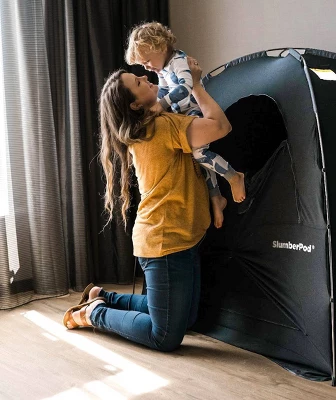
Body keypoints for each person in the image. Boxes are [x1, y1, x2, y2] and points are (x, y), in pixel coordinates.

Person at [62, 58, 232, 352]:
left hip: (182, 236)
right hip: (165, 241)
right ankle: (94, 313)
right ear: (135, 105)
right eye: (139, 83)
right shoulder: (160, 128)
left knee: (187, 319)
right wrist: (195, 83)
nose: (147, 79)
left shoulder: (151, 127)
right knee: (164, 336)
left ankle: (102, 295)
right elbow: (221, 126)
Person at [125, 21, 246, 228]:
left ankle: (234, 176)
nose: (146, 68)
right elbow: (164, 91)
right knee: (195, 159)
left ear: (160, 47)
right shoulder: (163, 70)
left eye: (147, 61)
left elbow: (185, 87)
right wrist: (157, 109)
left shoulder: (178, 61)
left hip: (193, 110)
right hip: (181, 113)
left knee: (199, 153)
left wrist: (161, 106)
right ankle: (216, 197)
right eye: (143, 65)